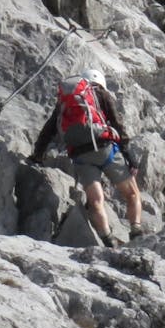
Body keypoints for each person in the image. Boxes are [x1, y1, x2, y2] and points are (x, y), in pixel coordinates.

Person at [28, 69, 143, 248]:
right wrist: (128, 154)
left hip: (81, 156)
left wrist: (37, 155)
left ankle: (107, 238)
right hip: (105, 149)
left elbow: (48, 131)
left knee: (96, 201)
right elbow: (116, 123)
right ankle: (136, 230)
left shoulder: (64, 103)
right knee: (132, 193)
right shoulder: (101, 94)